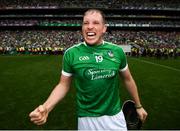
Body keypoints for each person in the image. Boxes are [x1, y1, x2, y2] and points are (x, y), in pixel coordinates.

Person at [29, 9, 147, 130]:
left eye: (96, 23)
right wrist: (46, 107)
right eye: (86, 23)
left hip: (115, 118)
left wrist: (138, 106)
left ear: (104, 28)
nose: (90, 27)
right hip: (86, 121)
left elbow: (128, 79)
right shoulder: (71, 54)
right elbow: (63, 85)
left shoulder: (117, 51)